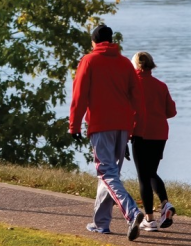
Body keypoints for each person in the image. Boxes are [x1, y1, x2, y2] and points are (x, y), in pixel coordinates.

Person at [69, 24, 145, 241]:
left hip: (101, 125)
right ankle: (100, 223)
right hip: (123, 126)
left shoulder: (89, 60)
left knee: (107, 174)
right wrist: (136, 129)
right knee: (111, 175)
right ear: (111, 41)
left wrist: (74, 125)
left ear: (93, 42)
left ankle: (131, 213)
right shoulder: (124, 63)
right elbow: (138, 99)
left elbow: (79, 95)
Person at [130, 51, 177, 233]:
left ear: (136, 66)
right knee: (151, 173)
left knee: (144, 176)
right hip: (160, 134)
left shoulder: (132, 85)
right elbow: (171, 111)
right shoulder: (161, 85)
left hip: (140, 133)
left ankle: (149, 219)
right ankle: (165, 204)